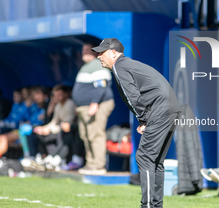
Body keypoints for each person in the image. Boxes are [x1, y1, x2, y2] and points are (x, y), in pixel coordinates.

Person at [92, 38, 181, 208]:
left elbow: (132, 96)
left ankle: (147, 205)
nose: (98, 56)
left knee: (144, 156)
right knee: (155, 160)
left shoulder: (120, 66)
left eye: (102, 52)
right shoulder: (127, 64)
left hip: (160, 109)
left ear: (113, 53)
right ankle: (155, 205)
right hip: (170, 107)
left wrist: (144, 119)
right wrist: (145, 118)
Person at [0, 86, 48, 170]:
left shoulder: (41, 106)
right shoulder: (28, 106)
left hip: (31, 130)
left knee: (3, 137)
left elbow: (27, 119)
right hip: (23, 129)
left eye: (36, 94)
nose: (35, 97)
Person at [72, 43, 115, 175]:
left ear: (96, 52)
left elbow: (101, 86)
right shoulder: (87, 66)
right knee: (86, 135)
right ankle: (91, 164)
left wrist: (94, 103)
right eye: (83, 50)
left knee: (95, 134)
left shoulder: (97, 64)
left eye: (88, 50)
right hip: (84, 107)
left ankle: (98, 166)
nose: (84, 52)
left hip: (98, 105)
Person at [33, 85, 83, 170]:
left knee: (64, 134)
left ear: (66, 95)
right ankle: (46, 157)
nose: (57, 97)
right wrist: (44, 128)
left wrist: (50, 129)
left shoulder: (70, 104)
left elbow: (67, 124)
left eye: (59, 95)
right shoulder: (58, 105)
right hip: (61, 129)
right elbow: (54, 122)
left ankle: (57, 159)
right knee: (38, 132)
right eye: (55, 95)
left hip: (72, 130)